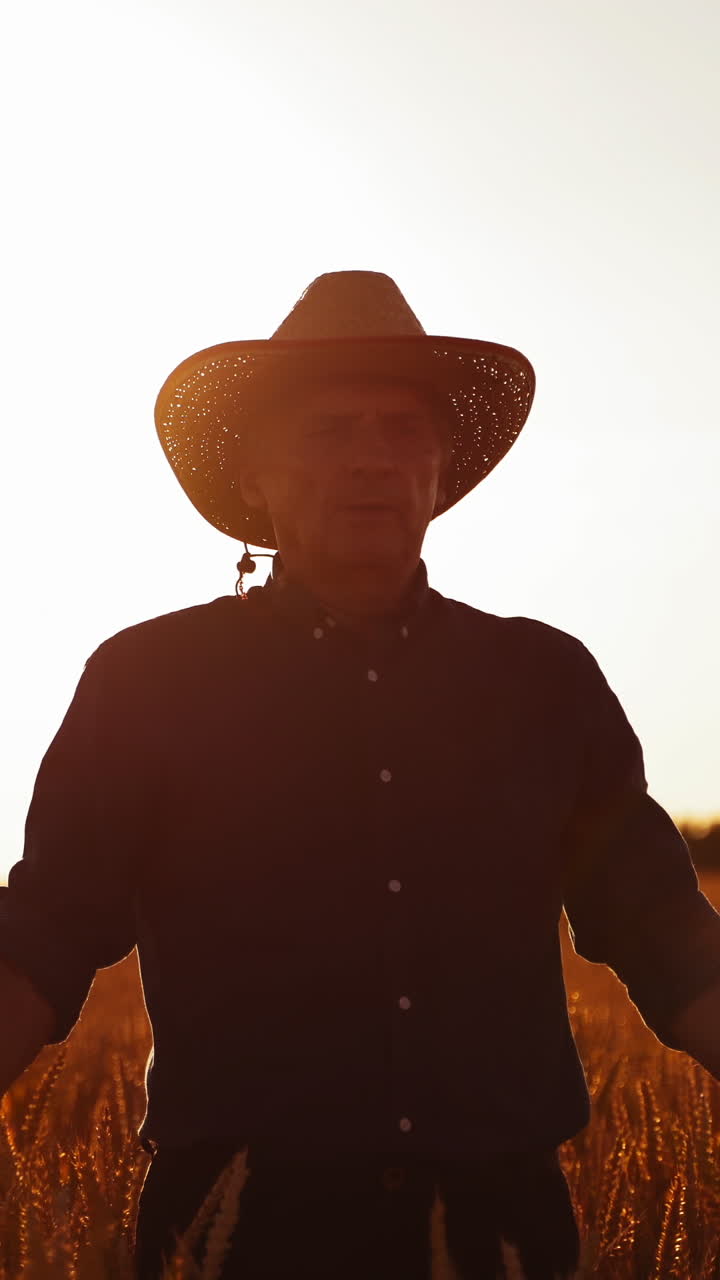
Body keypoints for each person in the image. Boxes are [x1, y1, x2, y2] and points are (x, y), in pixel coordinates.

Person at [2, 269, 720, 1280]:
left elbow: (661, 928)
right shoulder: (150, 679)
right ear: (254, 476)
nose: (372, 459)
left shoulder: (545, 680)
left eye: (401, 429)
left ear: (441, 472)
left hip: (500, 1233)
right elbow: (44, 932)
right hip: (234, 1232)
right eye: (331, 429)